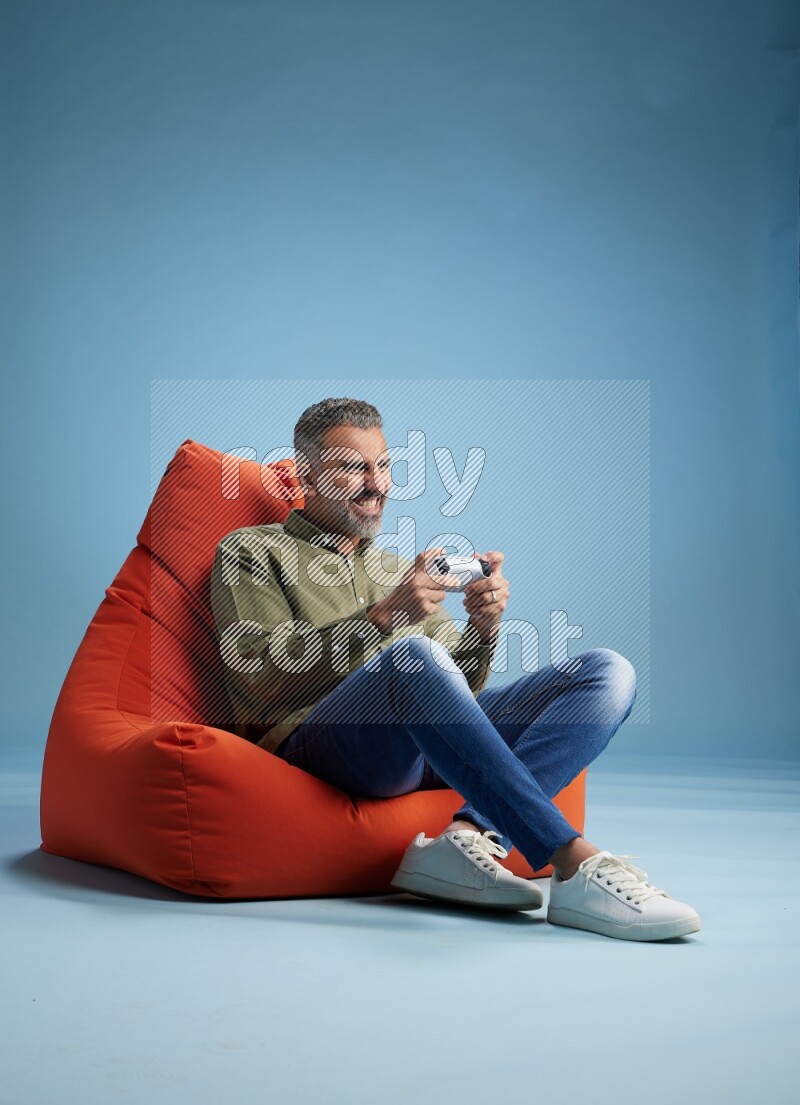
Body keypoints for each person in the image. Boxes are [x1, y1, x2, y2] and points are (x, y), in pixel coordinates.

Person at [210, 397, 701, 942]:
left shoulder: (396, 568)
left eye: (384, 465)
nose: (376, 485)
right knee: (411, 658)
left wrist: (481, 629)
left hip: (420, 748)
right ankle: (573, 861)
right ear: (305, 473)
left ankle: (465, 837)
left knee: (606, 672)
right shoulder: (251, 551)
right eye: (353, 467)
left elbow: (456, 695)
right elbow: (258, 673)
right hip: (317, 746)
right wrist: (384, 617)